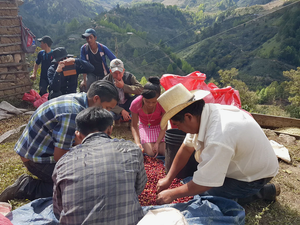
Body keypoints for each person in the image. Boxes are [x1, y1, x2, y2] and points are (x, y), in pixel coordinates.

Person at [156, 83, 280, 205]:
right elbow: (186, 149)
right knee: (190, 182)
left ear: (188, 117)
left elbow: (204, 183)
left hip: (254, 176)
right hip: (245, 164)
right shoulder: (203, 115)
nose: (177, 128)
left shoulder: (218, 135)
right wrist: (169, 178)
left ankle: (263, 192)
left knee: (203, 194)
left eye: (177, 124)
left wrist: (172, 194)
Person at [0, 80, 119, 202]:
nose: (107, 112)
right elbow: (60, 157)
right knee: (79, 188)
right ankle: (27, 186)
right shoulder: (73, 113)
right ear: (96, 99)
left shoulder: (80, 101)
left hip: (42, 148)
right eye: (107, 108)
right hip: (37, 158)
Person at [53, 107, 147, 225]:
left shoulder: (63, 162)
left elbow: (58, 210)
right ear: (110, 130)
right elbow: (139, 188)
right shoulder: (131, 150)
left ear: (78, 135)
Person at [130, 76, 166, 157]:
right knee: (150, 152)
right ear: (142, 97)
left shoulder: (162, 103)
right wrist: (138, 143)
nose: (150, 104)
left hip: (159, 127)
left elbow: (164, 126)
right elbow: (134, 125)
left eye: (154, 102)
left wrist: (157, 143)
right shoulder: (136, 104)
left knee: (164, 151)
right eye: (147, 101)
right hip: (145, 126)